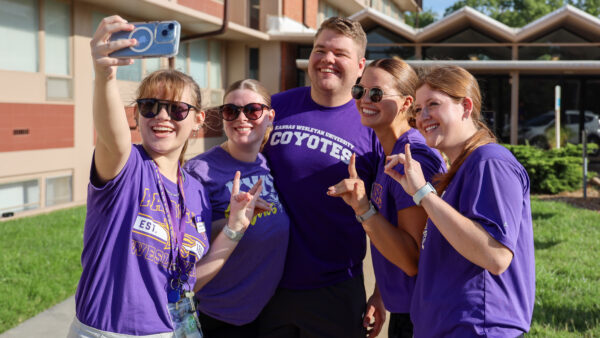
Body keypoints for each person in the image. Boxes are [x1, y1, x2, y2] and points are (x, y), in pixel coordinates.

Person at [69, 16, 265, 337]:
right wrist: (104, 74)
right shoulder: (126, 165)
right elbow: (111, 135)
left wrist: (234, 229)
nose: (162, 116)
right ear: (136, 114)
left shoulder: (196, 192)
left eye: (176, 109)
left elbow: (189, 280)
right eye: (150, 106)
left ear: (199, 119)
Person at [384, 65, 535, 337]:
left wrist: (423, 193)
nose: (423, 116)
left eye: (433, 104)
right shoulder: (459, 172)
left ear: (466, 106)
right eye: (418, 109)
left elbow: (496, 255)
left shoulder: (490, 161)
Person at [260, 17, 381, 338]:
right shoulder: (275, 107)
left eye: (339, 53)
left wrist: (382, 292)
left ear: (360, 66)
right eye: (320, 50)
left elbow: (390, 216)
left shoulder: (373, 125)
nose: (327, 59)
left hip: (335, 286)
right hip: (265, 283)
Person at [327, 58, 446, 338]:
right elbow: (392, 234)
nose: (364, 99)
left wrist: (363, 209)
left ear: (406, 103)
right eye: (360, 91)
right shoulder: (388, 154)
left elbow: (412, 259)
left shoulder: (413, 159)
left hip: (425, 316)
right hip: (405, 308)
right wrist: (381, 295)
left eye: (377, 93)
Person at [184, 79, 290, 337]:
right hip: (214, 316)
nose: (241, 118)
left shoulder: (266, 164)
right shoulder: (199, 172)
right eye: (231, 111)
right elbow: (184, 242)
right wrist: (233, 220)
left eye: (252, 110)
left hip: (264, 313)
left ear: (269, 116)